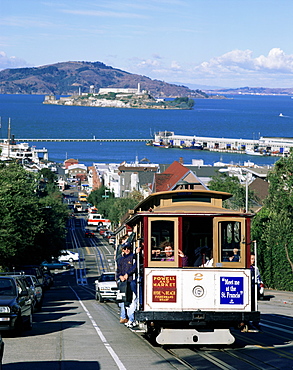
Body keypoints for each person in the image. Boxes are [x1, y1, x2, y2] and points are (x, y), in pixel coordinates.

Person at [116, 244, 138, 328]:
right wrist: (120, 276)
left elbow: (135, 267)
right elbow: (118, 270)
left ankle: (131, 318)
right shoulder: (120, 259)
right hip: (124, 283)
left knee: (133, 300)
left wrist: (127, 274)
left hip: (131, 281)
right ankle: (126, 317)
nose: (127, 250)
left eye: (128, 248)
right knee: (124, 301)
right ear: (122, 250)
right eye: (125, 249)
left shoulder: (133, 257)